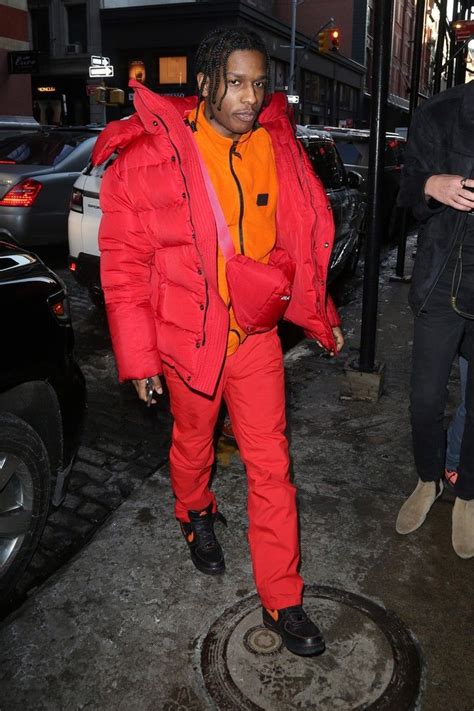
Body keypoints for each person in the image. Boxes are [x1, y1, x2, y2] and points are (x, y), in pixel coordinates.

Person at [92, 26, 344, 656]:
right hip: (186, 339)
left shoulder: (276, 146)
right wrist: (139, 355)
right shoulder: (147, 159)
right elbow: (123, 264)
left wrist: (315, 308)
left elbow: (301, 235)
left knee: (272, 466)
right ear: (204, 83)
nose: (249, 97)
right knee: (192, 440)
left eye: (260, 84)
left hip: (255, 340)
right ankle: (194, 513)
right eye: (236, 82)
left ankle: (283, 597)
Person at [395, 81, 474, 559]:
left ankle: (467, 493)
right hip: (442, 285)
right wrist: (431, 185)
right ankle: (429, 480)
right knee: (425, 402)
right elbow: (404, 190)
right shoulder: (441, 113)